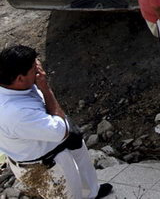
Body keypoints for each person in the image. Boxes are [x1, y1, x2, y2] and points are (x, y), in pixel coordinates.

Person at [0, 45, 113, 199]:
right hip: (47, 167)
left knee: (80, 157)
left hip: (49, 140)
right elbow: (60, 131)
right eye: (34, 69)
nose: (40, 71)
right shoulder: (15, 113)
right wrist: (46, 88)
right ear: (20, 78)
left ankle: (92, 193)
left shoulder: (13, 86)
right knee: (70, 195)